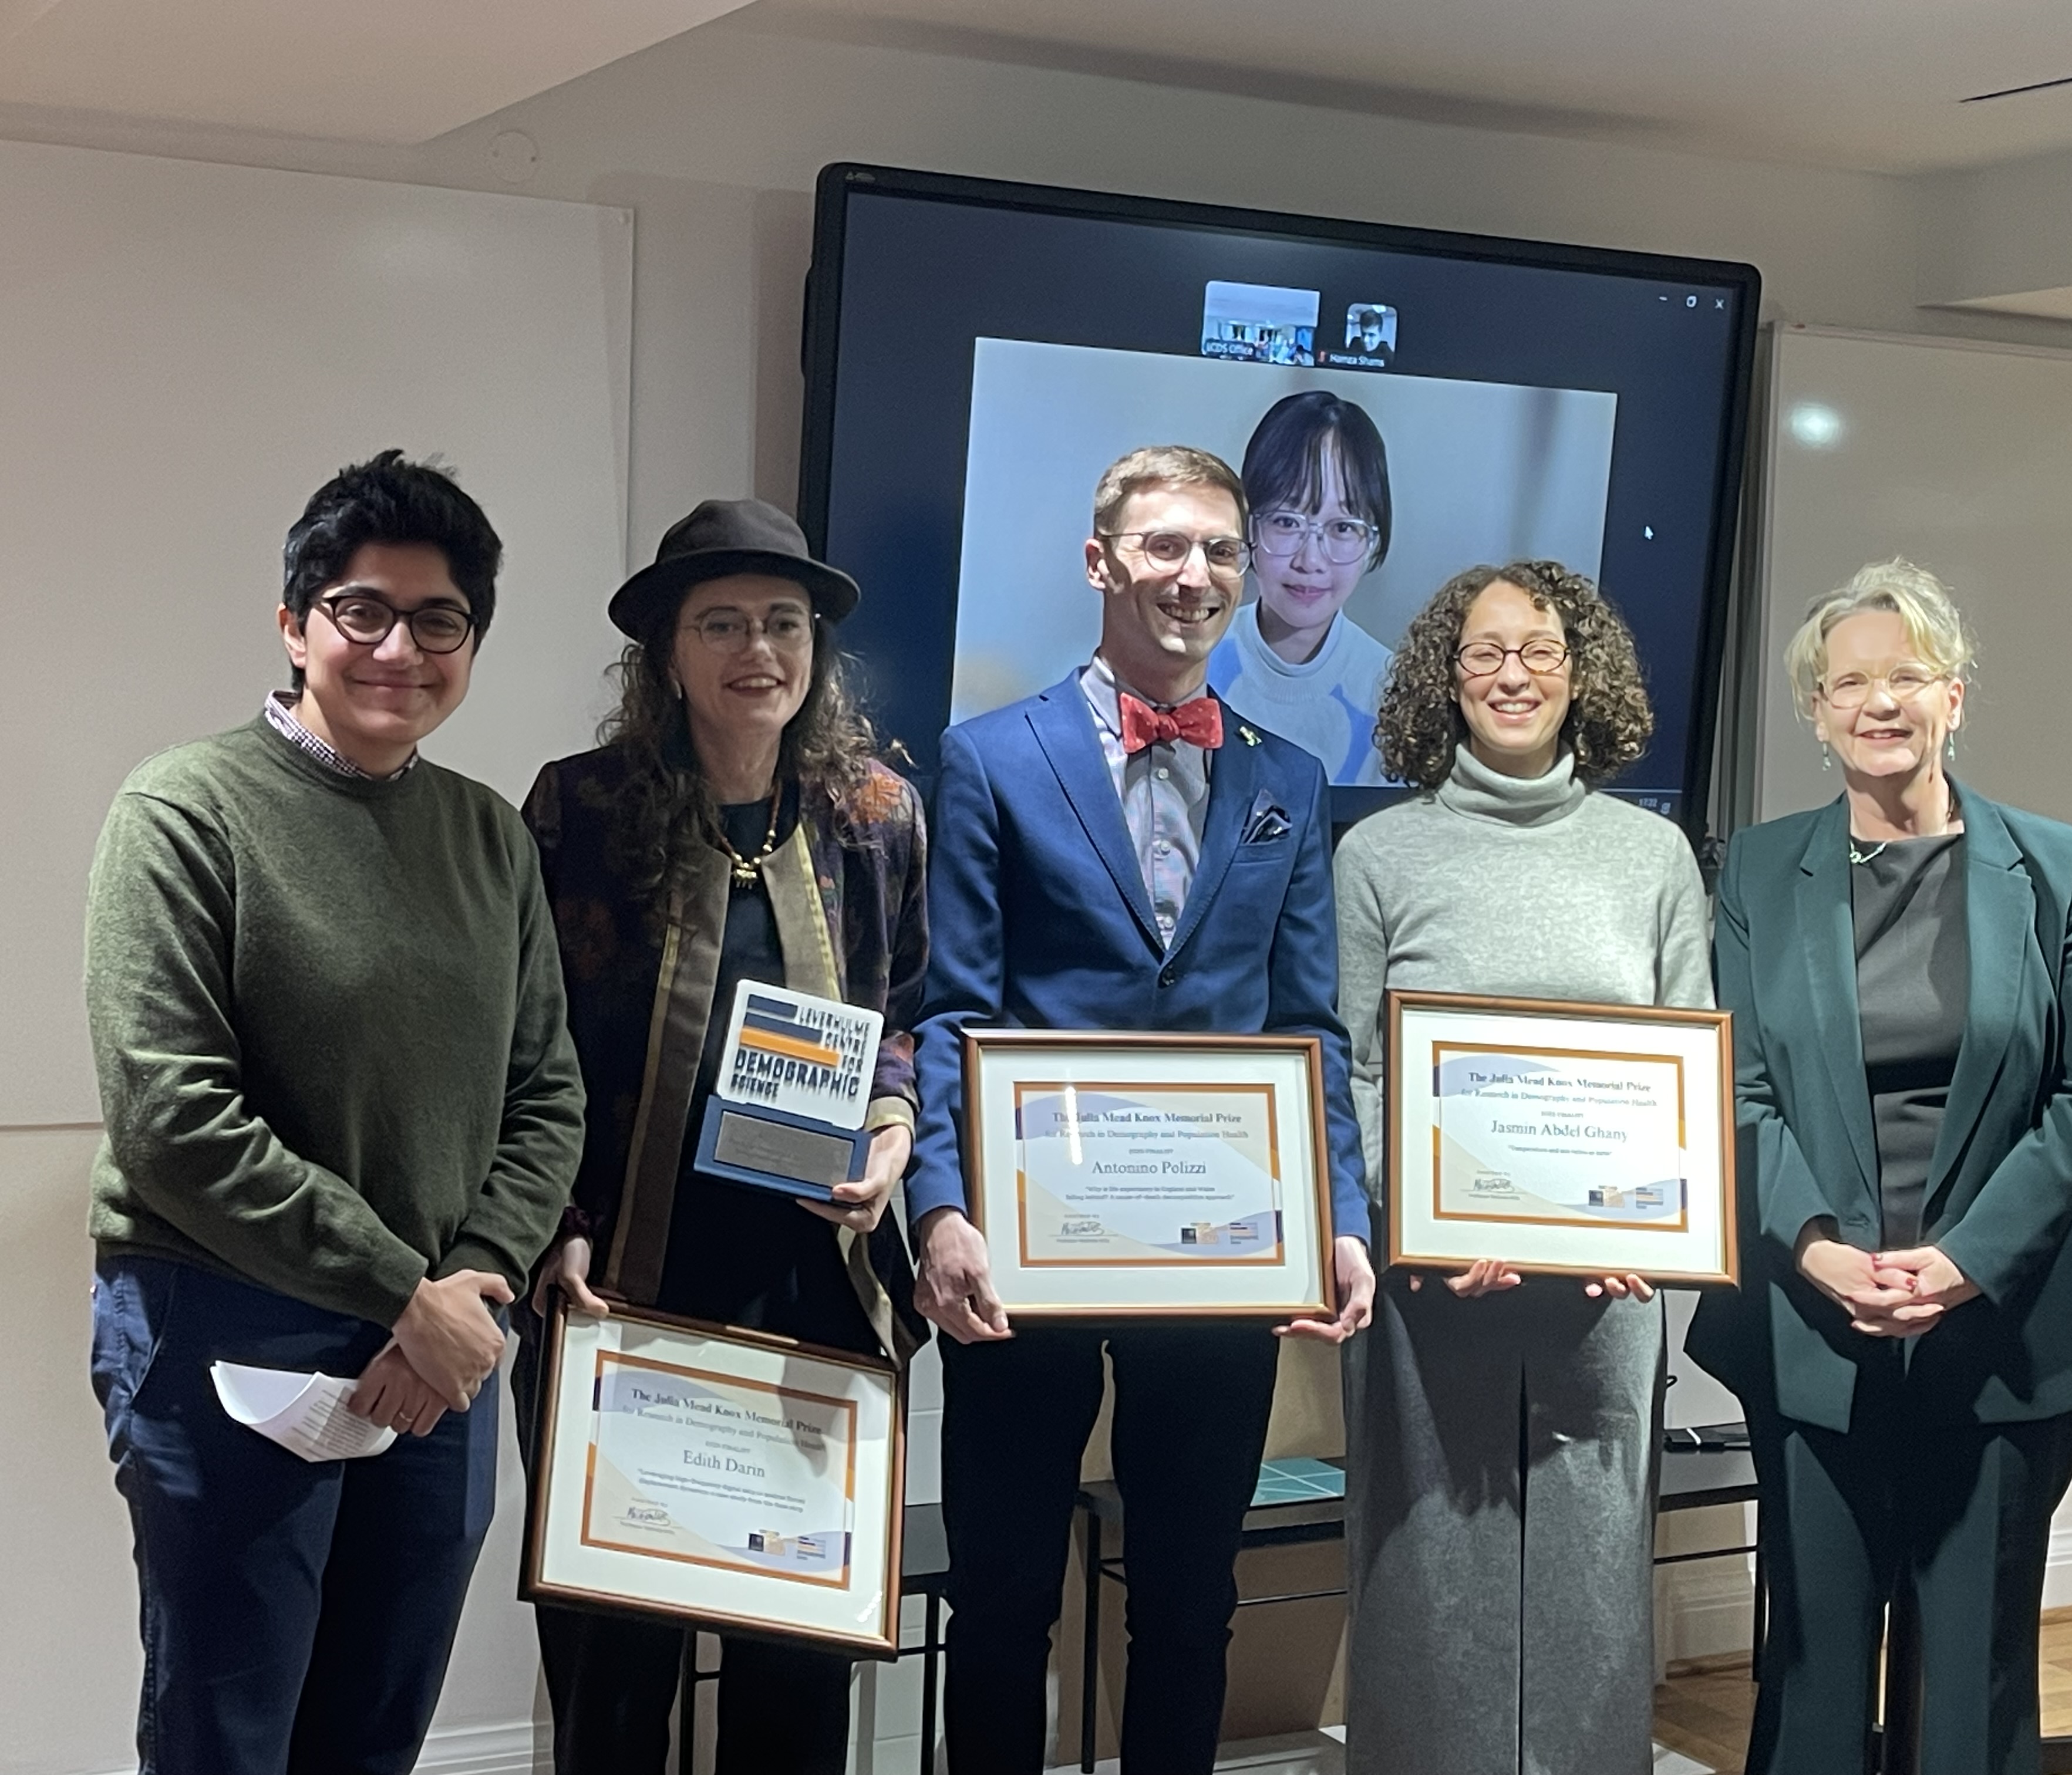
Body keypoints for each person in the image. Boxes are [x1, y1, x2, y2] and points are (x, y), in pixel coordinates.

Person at [84, 451, 585, 1775]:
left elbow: (548, 1093)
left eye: (440, 622)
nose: (398, 649)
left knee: (376, 1728)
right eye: (363, 609)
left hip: (444, 1345)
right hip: (227, 1328)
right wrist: (399, 1287)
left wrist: (471, 1285)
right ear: (295, 619)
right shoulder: (184, 811)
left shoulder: (489, 838)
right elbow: (170, 1117)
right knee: (228, 1733)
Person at [911, 444, 1377, 1773]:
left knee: (1190, 1604)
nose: (1197, 574)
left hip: (1217, 1262)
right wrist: (942, 1208)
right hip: (1022, 1251)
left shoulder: (1289, 779)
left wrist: (1339, 1216)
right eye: (1167, 546)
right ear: (1102, 560)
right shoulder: (992, 757)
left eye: (1220, 550)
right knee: (1001, 1604)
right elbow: (956, 1010)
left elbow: (1307, 1026)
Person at [1686, 559, 2072, 1775]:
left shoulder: (2056, 866)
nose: (1877, 704)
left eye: (1906, 678)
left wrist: (1964, 1263)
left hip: (2005, 1326)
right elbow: (1740, 1091)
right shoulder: (1756, 874)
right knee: (1814, 1668)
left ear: (1955, 697)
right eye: (1848, 684)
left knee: (1976, 1676)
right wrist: (1827, 1252)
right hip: (1807, 1318)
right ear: (1816, 711)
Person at [515, 499, 929, 1775]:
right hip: (623, 1280)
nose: (760, 649)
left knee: (793, 1667)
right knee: (614, 1674)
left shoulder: (876, 813)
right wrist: (558, 1231)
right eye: (724, 623)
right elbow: (527, 1047)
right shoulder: (577, 810)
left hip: (809, 1282)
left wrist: (893, 1130)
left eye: (784, 623)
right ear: (668, 653)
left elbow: (905, 1010)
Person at [1333, 560, 1706, 1774]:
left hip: (1609, 1290)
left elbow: (1687, 1059)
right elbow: (1360, 1073)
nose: (1513, 674)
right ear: (1445, 676)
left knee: (1594, 1583)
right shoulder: (1379, 855)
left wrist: (1644, 1229)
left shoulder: (1651, 858)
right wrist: (1424, 1227)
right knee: (1429, 1571)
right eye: (1486, 651)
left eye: (1540, 650)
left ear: (1580, 672)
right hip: (1437, 1282)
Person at [1206, 392, 1396, 784]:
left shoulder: (1394, 690)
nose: (1310, 561)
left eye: (1343, 527)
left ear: (1372, 541)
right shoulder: (1193, 663)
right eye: (1288, 522)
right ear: (1248, 525)